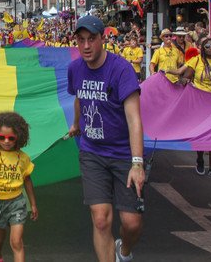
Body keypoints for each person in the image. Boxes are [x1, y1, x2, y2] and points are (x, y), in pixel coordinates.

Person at [66, 15, 144, 262]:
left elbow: (134, 120)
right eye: (81, 40)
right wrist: (77, 124)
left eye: (91, 39)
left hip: (123, 154)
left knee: (131, 224)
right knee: (100, 219)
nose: (86, 46)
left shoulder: (121, 69)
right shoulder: (74, 69)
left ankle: (124, 251)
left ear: (102, 39)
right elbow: (79, 97)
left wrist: (137, 164)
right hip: (92, 153)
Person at [0, 111, 38, 262]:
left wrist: (33, 204)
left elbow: (27, 181)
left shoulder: (23, 158)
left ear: (18, 137)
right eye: (2, 137)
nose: (6, 141)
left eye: (11, 138)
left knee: (16, 241)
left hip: (17, 203)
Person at [173, 38, 211, 178]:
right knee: (201, 134)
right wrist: (183, 80)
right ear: (203, 48)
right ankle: (200, 158)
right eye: (207, 46)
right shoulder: (197, 60)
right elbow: (187, 76)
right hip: (199, 103)